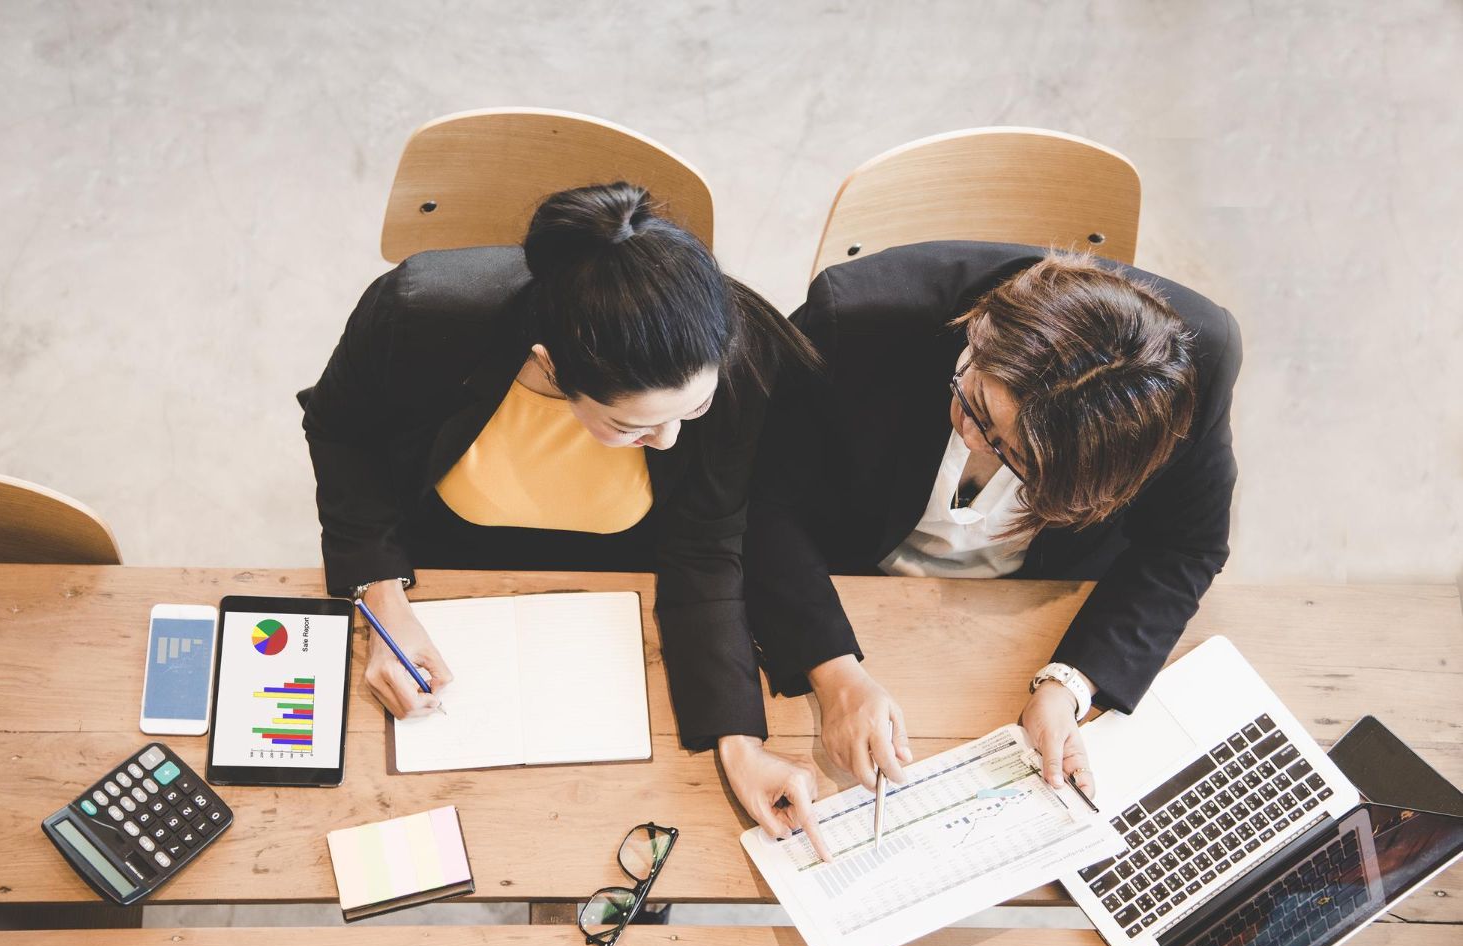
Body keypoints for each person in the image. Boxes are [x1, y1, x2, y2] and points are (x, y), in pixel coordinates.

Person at [727, 241, 1241, 847]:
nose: (969, 435)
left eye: (1006, 449)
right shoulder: (857, 318)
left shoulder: (1199, 362)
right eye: (973, 396)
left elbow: (1186, 546)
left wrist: (1069, 685)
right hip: (846, 580)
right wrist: (835, 675)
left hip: (1036, 610)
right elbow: (761, 500)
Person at [298, 183, 819, 772]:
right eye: (630, 425)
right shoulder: (419, 313)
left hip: (627, 578)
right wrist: (382, 599)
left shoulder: (730, 352)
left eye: (691, 411)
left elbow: (704, 544)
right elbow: (342, 432)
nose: (671, 440)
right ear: (550, 364)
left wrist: (741, 742)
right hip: (437, 556)